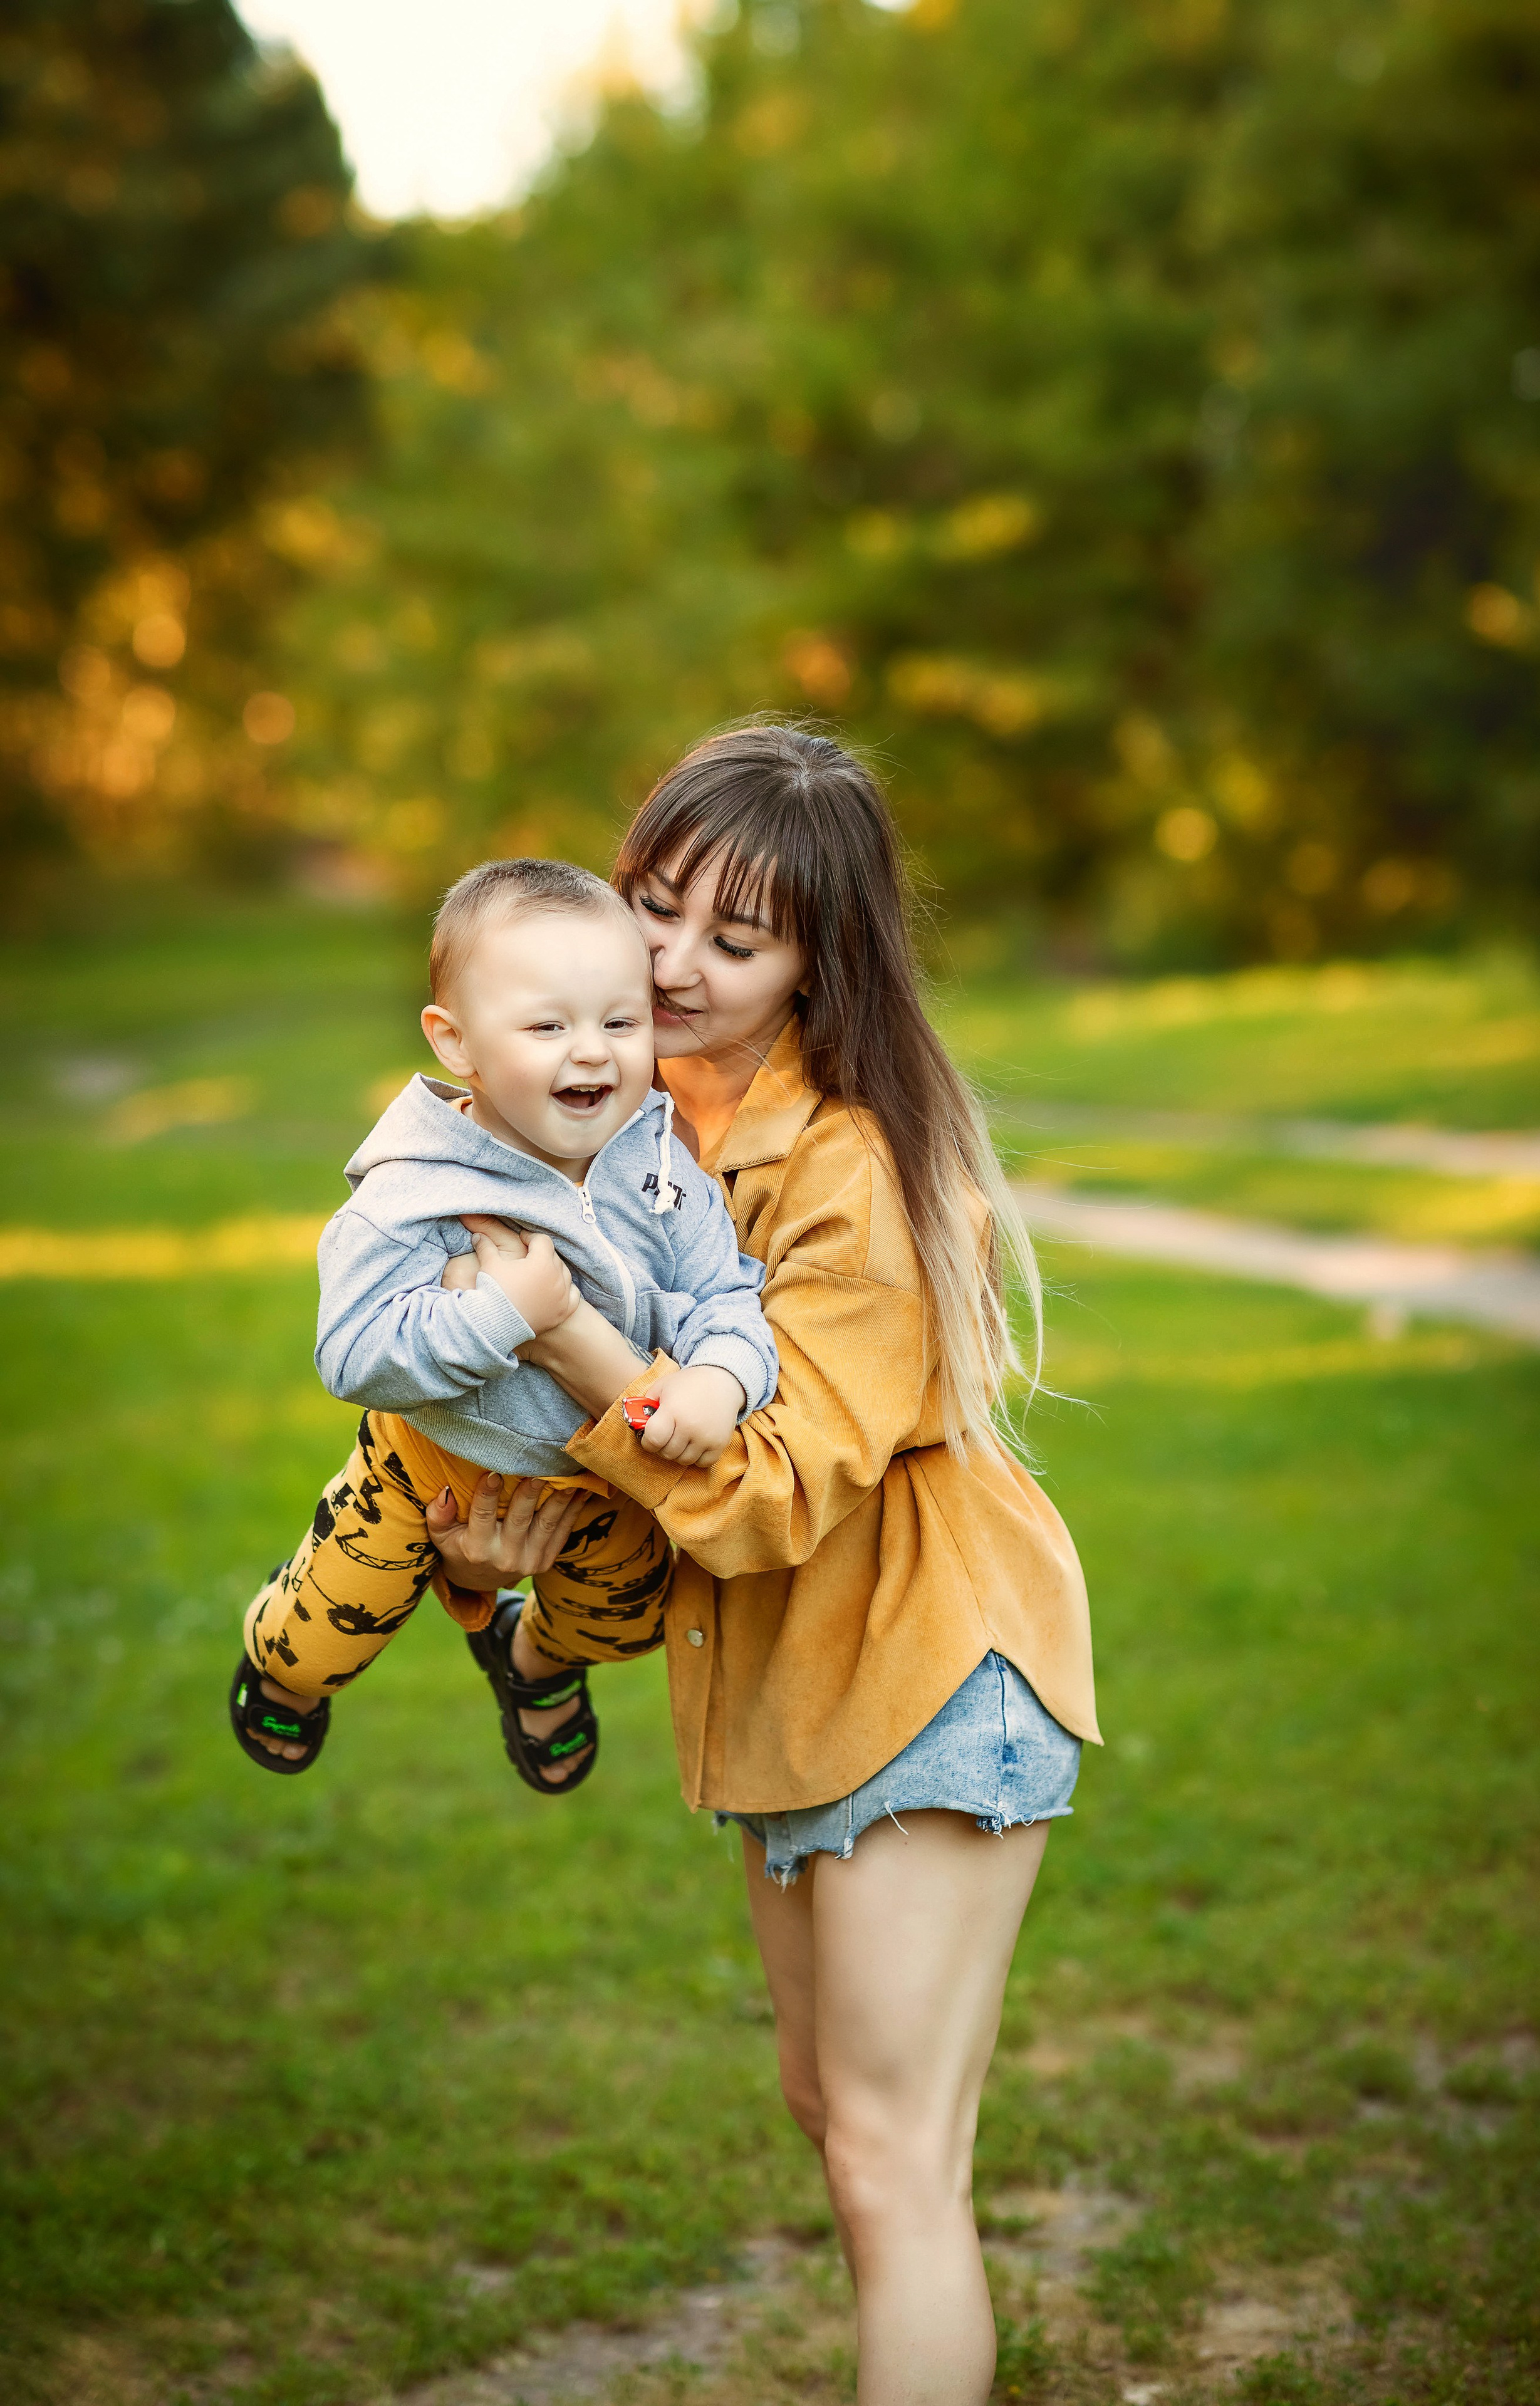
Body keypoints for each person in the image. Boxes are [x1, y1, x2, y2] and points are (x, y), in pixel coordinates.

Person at [430, 726, 1100, 2406]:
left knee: (891, 2160)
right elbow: (594, 1477)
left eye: (734, 941)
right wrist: (488, 1578)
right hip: (798, 1698)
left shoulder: (843, 1168)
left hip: (931, 1674)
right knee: (835, 2118)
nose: (669, 964)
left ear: (818, 965)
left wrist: (571, 1333)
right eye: (655, 907)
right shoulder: (637, 1131)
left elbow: (768, 1497)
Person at [229, 855, 777, 1791]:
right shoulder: (414, 1189)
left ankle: (539, 1657)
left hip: (597, 1476)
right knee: (323, 1639)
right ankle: (280, 1668)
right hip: (430, 1468)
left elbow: (727, 1295)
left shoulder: (660, 1169)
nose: (594, 1052)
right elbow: (352, 1352)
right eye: (548, 1026)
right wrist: (502, 1315)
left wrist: (721, 1378)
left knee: (628, 1625)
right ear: (456, 1043)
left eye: (621, 1020)